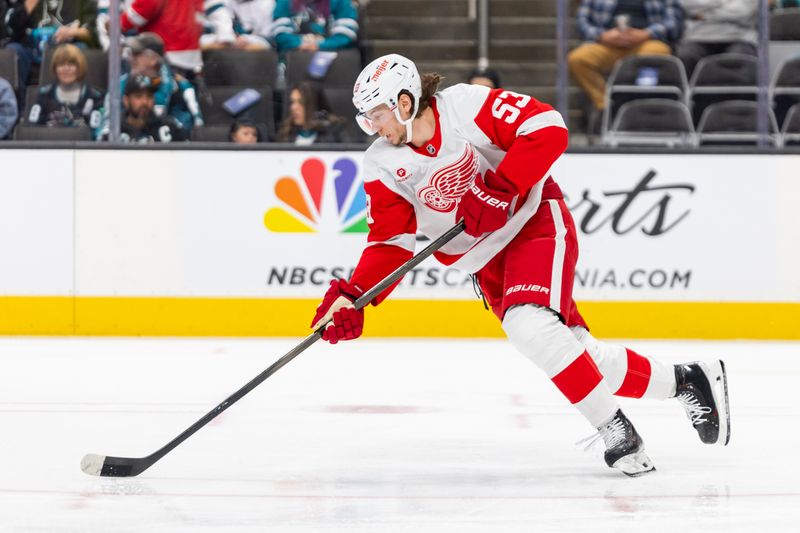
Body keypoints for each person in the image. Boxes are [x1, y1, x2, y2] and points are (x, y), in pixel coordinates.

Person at [309, 53, 731, 476]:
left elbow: (548, 128)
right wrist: (355, 297)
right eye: (367, 120)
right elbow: (390, 243)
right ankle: (687, 380)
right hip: (484, 262)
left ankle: (616, 431)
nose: (374, 128)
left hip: (533, 223)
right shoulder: (382, 162)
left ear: (404, 103)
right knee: (577, 355)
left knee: (529, 326)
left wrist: (500, 188)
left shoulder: (464, 106)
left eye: (377, 116)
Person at [568, 0, 682, 129]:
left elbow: (675, 22)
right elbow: (582, 21)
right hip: (607, 44)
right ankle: (606, 106)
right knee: (578, 59)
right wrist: (602, 35)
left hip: (645, 43)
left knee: (659, 51)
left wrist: (646, 33)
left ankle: (640, 105)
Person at [2, 0, 99, 90]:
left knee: (80, 50)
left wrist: (73, 32)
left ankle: (74, 103)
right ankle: (16, 105)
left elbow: (94, 32)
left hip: (67, 47)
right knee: (12, 51)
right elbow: (11, 30)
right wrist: (29, 4)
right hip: (30, 48)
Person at [27, 43, 103, 137]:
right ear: (55, 68)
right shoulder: (44, 95)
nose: (66, 69)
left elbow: (96, 133)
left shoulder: (95, 97)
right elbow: (32, 129)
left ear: (80, 67)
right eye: (61, 64)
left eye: (71, 64)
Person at [676, 0, 758, 79]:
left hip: (740, 37)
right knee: (685, 57)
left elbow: (745, 12)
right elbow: (688, 5)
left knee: (737, 59)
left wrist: (706, 14)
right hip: (698, 36)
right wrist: (725, 3)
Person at [102, 73, 186, 143]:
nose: (145, 102)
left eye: (149, 96)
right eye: (138, 96)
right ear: (126, 101)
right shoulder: (114, 129)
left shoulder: (169, 126)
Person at [270, 0, 359, 53]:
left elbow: (346, 33)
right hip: (293, 55)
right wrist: (299, 43)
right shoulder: (285, 2)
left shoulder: (341, 2)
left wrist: (320, 45)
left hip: (333, 57)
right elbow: (280, 32)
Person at [277, 80, 345, 144]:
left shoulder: (332, 136)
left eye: (301, 102)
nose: (293, 107)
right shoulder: (286, 134)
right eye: (292, 102)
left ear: (314, 106)